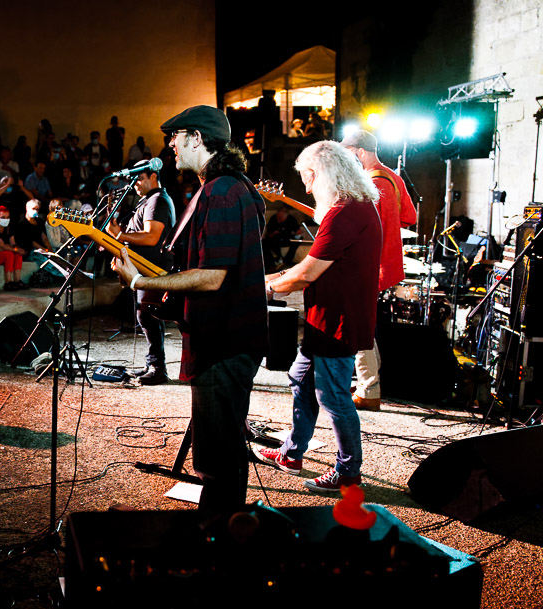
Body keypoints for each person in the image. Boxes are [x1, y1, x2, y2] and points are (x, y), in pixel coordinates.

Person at [111, 105, 268, 519]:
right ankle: (221, 532)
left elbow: (212, 277)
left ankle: (218, 539)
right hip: (225, 340)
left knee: (217, 459)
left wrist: (139, 282)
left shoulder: (222, 192)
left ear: (197, 138)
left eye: (176, 136)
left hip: (224, 342)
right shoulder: (226, 187)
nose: (170, 145)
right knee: (220, 452)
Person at [252, 140, 381, 493]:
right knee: (300, 378)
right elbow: (310, 267)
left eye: (308, 179)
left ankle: (348, 472)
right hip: (325, 318)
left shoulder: (344, 213)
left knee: (333, 396)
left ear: (323, 174)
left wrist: (262, 288)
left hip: (337, 321)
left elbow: (306, 273)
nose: (307, 189)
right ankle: (292, 453)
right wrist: (266, 279)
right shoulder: (355, 205)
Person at [341, 129, 418, 411]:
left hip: (370, 263)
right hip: (384, 262)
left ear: (360, 152)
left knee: (358, 325)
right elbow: (409, 217)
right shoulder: (393, 177)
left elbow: (361, 228)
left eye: (349, 155)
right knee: (362, 324)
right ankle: (368, 384)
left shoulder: (371, 183)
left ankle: (369, 388)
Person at [106, 167, 176, 385]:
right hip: (145, 268)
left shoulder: (157, 201)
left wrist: (119, 235)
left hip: (153, 268)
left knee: (148, 315)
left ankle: (158, 368)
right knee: (144, 315)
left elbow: (151, 237)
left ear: (153, 176)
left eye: (139, 179)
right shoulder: (148, 201)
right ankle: (152, 364)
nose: (135, 183)